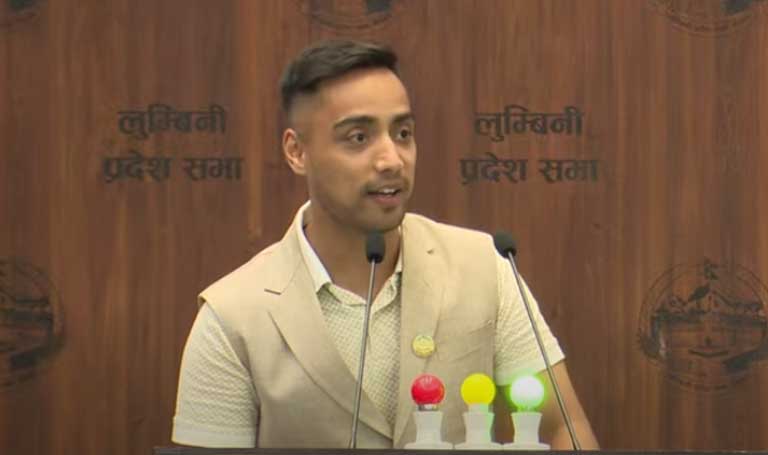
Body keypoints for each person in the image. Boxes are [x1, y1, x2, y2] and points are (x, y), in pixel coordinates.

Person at [171, 39, 598, 449]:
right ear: (297, 151)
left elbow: (564, 426)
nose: (392, 160)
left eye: (403, 133)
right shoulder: (233, 316)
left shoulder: (483, 266)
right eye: (358, 137)